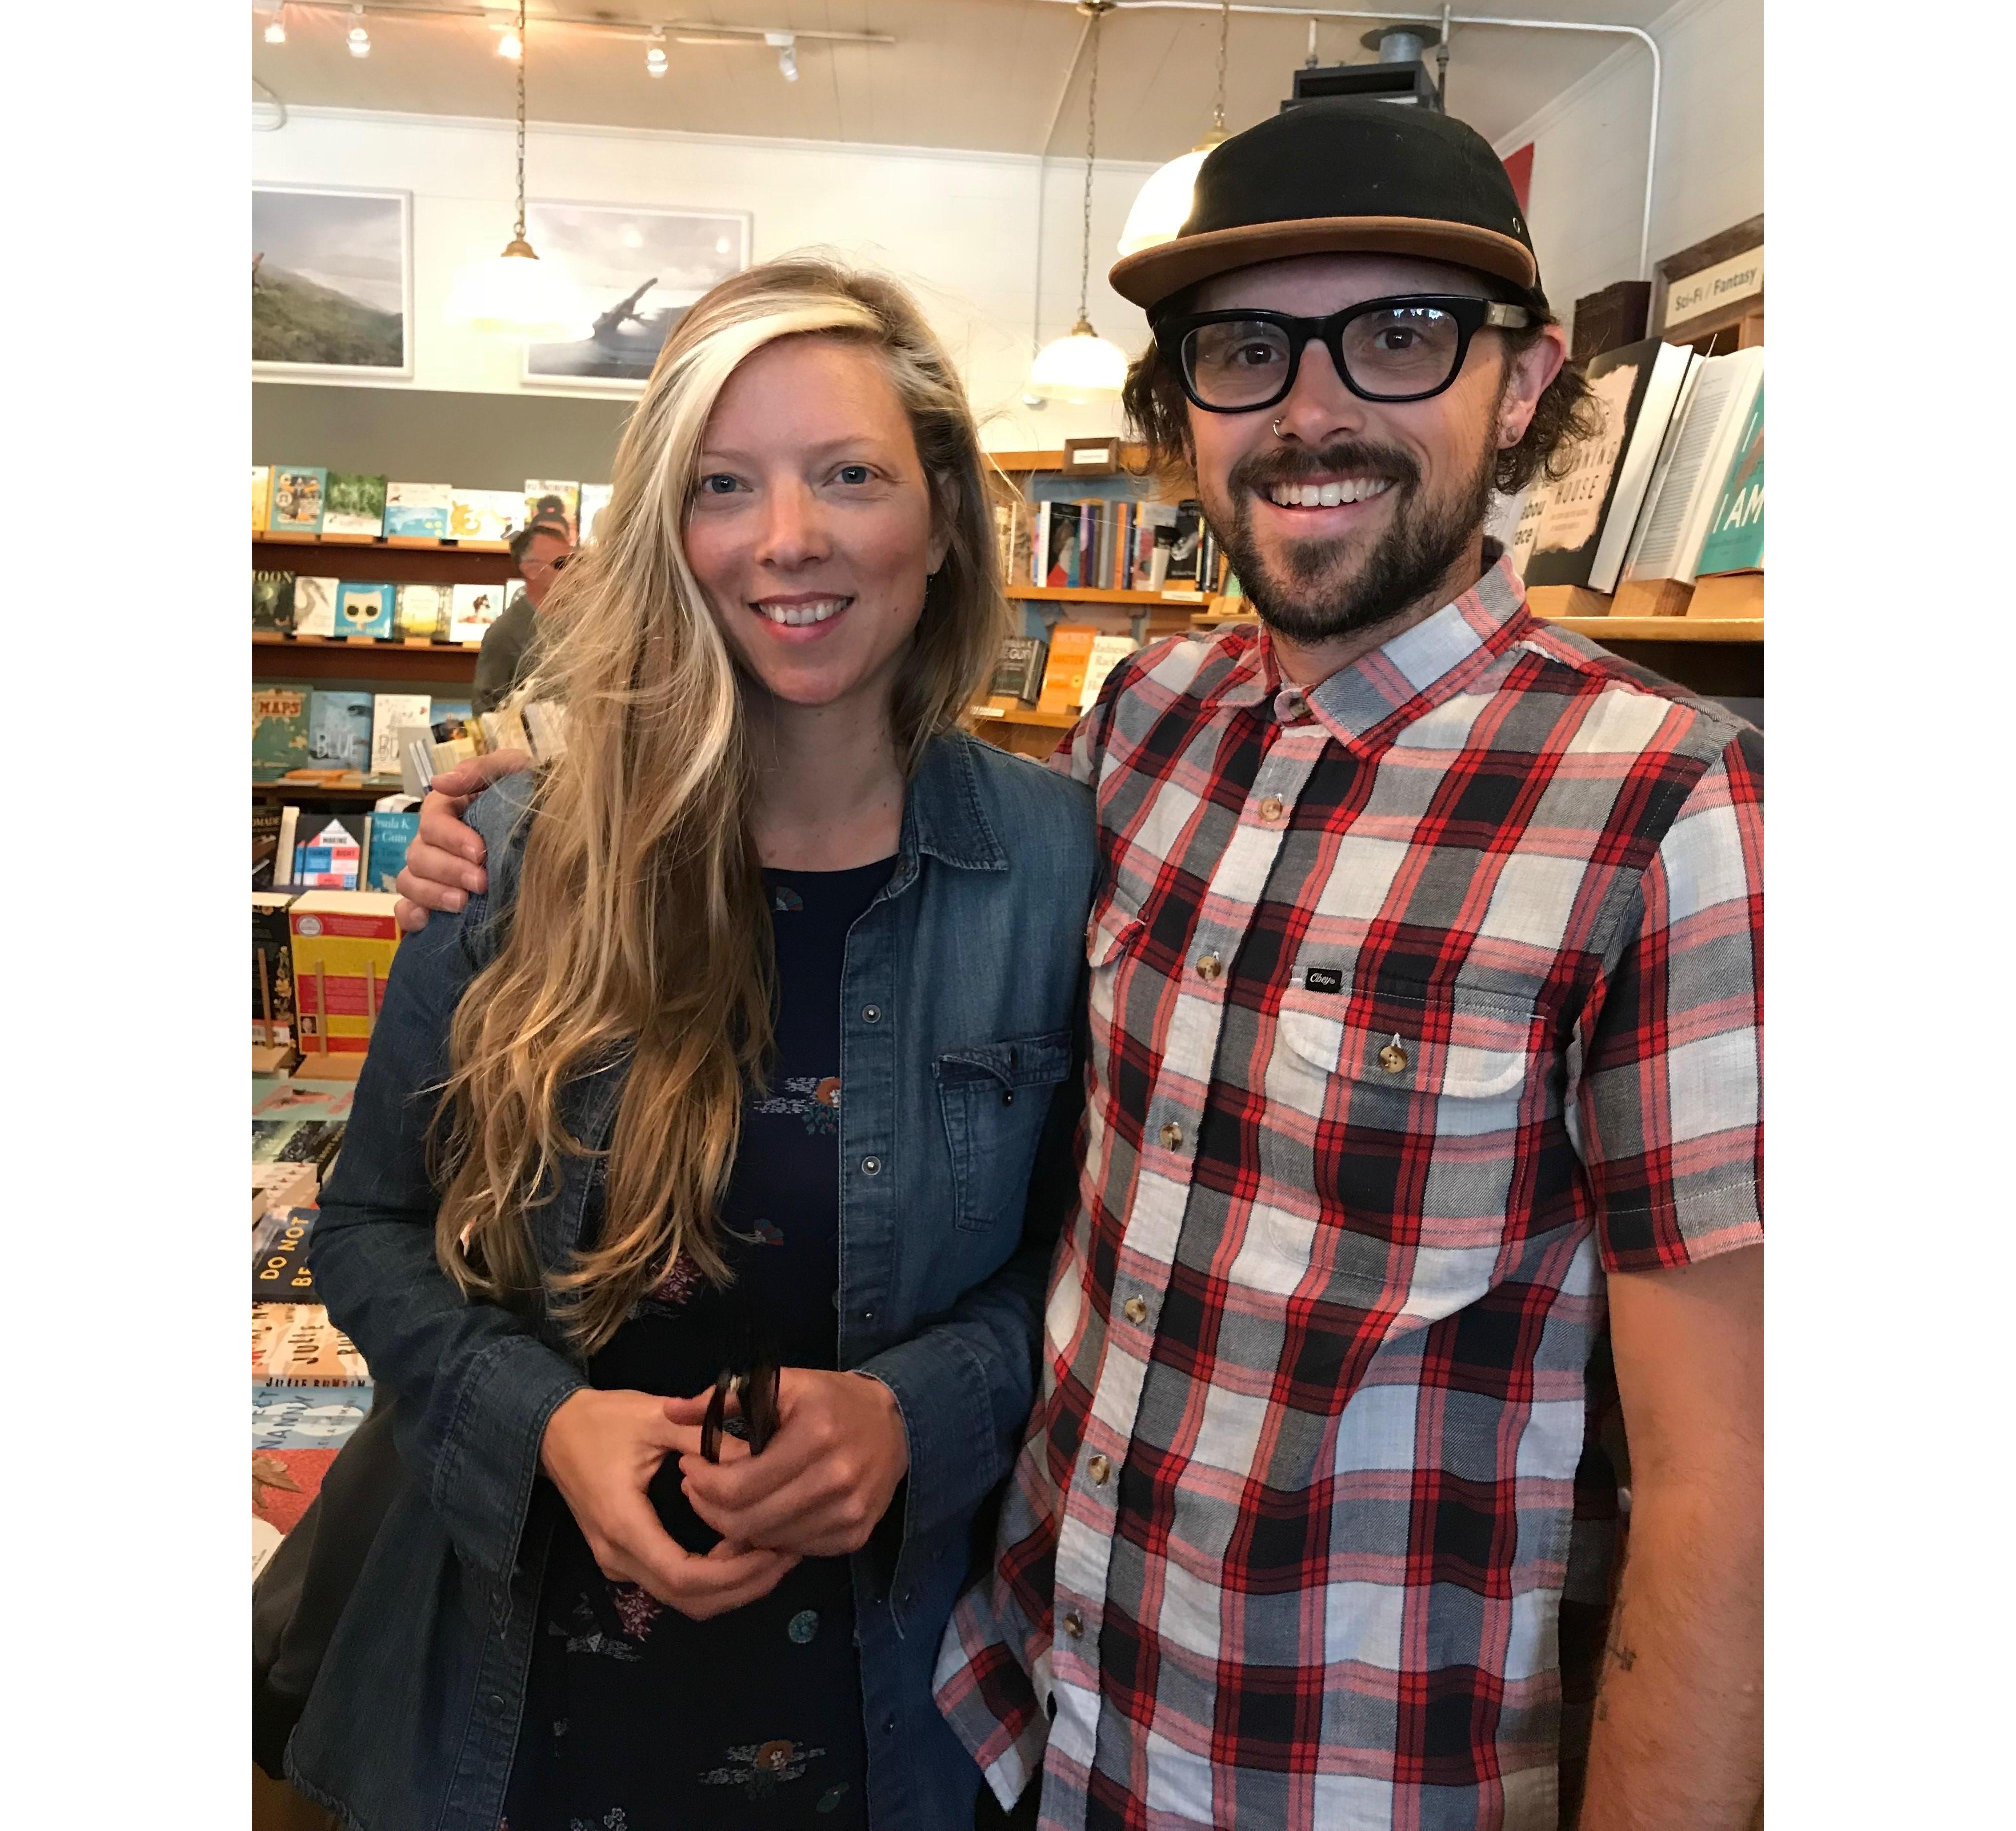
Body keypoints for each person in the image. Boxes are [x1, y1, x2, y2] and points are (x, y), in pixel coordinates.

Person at [396, 104, 1764, 1831]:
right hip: (1030, 1714)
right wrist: (512, 785)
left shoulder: (1658, 799)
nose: (1314, 411)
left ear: (1523, 384)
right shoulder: (1146, 731)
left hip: (1349, 1776)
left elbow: (1744, 1476)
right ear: (1181, 407)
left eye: (1401, 338)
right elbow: (1070, 1205)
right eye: (1246, 352)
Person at [286, 256, 1098, 1831]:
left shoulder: (1062, 867)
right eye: (725, 485)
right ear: (670, 530)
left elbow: (1091, 1267)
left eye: (849, 476)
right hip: (526, 1715)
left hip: (905, 1714)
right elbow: (368, 1223)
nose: (788, 538)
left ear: (937, 518)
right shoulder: (515, 852)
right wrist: (542, 1424)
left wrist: (915, 1411)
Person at [472, 519, 573, 712]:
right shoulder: (505, 633)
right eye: (562, 564)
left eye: (576, 561)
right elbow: (487, 711)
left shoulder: (585, 618)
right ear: (532, 570)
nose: (573, 570)